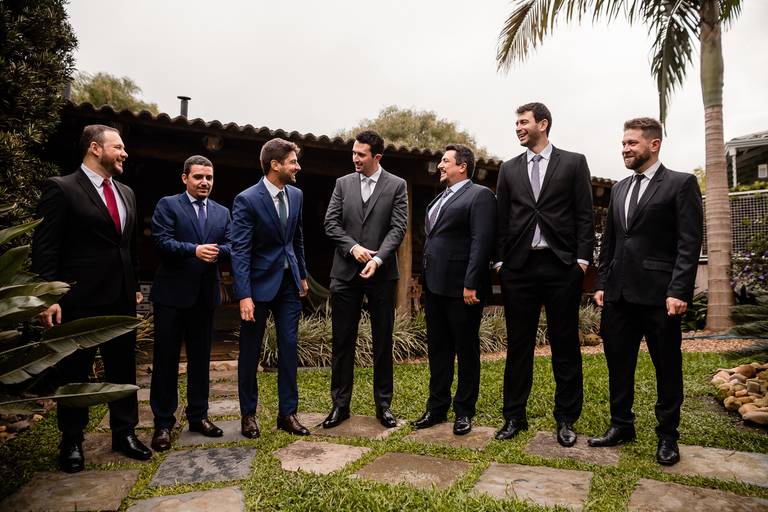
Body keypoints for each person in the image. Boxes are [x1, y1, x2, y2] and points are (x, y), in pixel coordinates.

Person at [31, 124, 151, 472]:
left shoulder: (126, 192)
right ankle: (71, 440)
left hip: (120, 298)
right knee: (76, 372)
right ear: (95, 148)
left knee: (123, 368)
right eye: (118, 147)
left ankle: (124, 433)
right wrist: (49, 295)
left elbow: (128, 245)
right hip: (79, 299)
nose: (124, 153)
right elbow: (46, 246)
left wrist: (134, 284)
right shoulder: (62, 188)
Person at [588, 117, 703, 466]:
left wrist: (679, 290)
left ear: (654, 145)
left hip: (660, 296)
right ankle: (621, 425)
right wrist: (602, 283)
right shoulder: (619, 188)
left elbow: (688, 243)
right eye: (623, 143)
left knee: (666, 367)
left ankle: (667, 436)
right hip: (619, 296)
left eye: (632, 143)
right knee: (618, 364)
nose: (625, 149)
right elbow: (610, 242)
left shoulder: (681, 184)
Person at [494, 102, 594, 447]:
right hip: (519, 268)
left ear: (543, 124)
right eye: (516, 123)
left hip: (561, 266)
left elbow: (585, 214)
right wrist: (500, 263)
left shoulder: (574, 162)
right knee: (518, 345)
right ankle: (514, 417)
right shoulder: (508, 169)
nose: (518, 128)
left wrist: (582, 261)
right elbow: (502, 218)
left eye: (523, 122)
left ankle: (566, 419)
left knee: (565, 344)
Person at [322, 130, 408, 428]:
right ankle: (339, 406)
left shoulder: (397, 185)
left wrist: (378, 259)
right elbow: (331, 224)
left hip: (382, 275)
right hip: (345, 274)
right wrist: (354, 248)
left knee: (382, 341)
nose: (355, 159)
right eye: (354, 153)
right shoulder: (342, 184)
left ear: (377, 157)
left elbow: (398, 228)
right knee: (342, 341)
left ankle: (383, 406)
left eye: (361, 154)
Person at [148, 155, 231, 451]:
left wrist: (218, 251)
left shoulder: (222, 212)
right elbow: (161, 242)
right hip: (171, 296)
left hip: (204, 296)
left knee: (200, 359)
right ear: (185, 178)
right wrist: (194, 250)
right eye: (198, 177)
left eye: (209, 177)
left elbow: (233, 245)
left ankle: (199, 416)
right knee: (166, 360)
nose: (204, 182)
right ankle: (163, 423)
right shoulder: (168, 205)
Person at [412, 144, 496, 436]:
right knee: (438, 349)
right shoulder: (439, 198)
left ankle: (464, 411)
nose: (440, 165)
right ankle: (436, 408)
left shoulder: (480, 195)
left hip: (463, 288)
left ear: (462, 166)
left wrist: (471, 283)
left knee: (466, 350)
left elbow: (481, 242)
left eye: (445, 161)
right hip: (435, 286)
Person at [230, 138, 310, 439]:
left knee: (289, 347)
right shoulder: (247, 199)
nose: (297, 167)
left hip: (289, 285)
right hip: (258, 286)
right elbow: (240, 251)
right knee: (250, 352)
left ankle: (287, 414)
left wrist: (302, 275)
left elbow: (297, 237)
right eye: (293, 162)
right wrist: (244, 295)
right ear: (275, 165)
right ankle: (248, 415)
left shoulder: (297, 195)